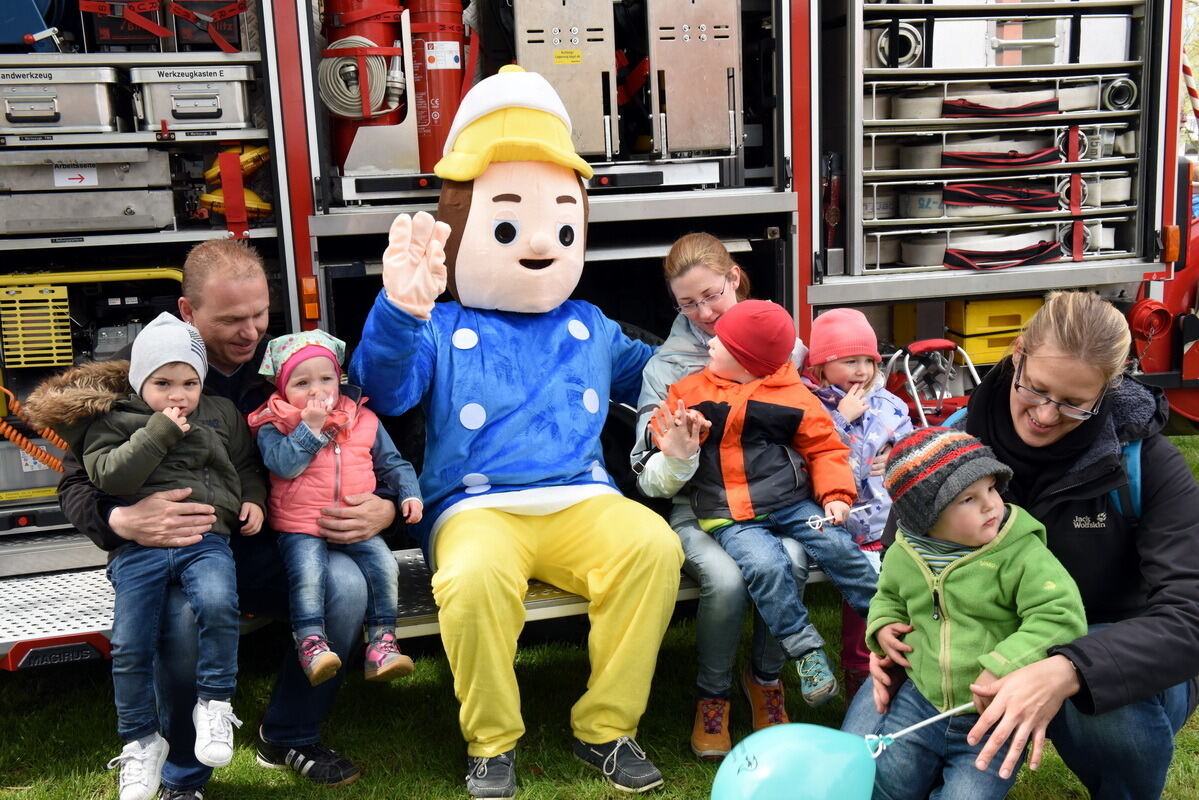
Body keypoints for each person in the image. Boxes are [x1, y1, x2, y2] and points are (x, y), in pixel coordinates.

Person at [350, 67, 684, 798]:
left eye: (563, 224)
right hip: (475, 506)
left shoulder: (589, 324)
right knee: (471, 581)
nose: (539, 241)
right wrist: (400, 313)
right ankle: (492, 741)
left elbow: (660, 378)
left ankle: (606, 727)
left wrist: (725, 357)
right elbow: (384, 389)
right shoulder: (440, 325)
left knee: (652, 549)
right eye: (507, 223)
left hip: (578, 499)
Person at [55, 238, 397, 798]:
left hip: (271, 543)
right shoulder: (140, 377)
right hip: (169, 548)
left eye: (260, 314)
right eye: (232, 319)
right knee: (183, 622)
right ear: (188, 312)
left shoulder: (289, 367)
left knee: (346, 585)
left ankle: (288, 734)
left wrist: (384, 504)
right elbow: (74, 480)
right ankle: (183, 773)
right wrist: (119, 520)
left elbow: (367, 436)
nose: (250, 331)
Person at [845, 291, 1199, 800]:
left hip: (1107, 660)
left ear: (1107, 390)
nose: (1047, 415)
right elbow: (904, 554)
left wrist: (1069, 667)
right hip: (963, 651)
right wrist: (892, 632)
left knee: (1106, 704)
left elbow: (1189, 618)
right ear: (1017, 352)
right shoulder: (945, 449)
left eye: (1076, 403)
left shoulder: (1147, 464)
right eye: (1035, 388)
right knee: (867, 761)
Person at [26, 313, 267, 800]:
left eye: (188, 383)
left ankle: (215, 703)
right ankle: (141, 740)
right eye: (162, 383)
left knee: (220, 606)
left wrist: (253, 499)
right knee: (130, 644)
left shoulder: (219, 414)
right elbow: (110, 478)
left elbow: (244, 463)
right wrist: (158, 432)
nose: (177, 395)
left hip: (206, 542)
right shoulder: (111, 419)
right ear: (139, 382)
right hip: (139, 553)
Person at [639, 300, 878, 711]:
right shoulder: (691, 391)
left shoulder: (794, 396)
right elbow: (658, 430)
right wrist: (673, 435)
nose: (711, 341)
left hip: (791, 505)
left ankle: (888, 624)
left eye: (724, 341)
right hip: (729, 516)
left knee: (839, 546)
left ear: (748, 361)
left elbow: (825, 448)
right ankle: (806, 653)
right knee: (766, 566)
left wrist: (837, 497)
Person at [631, 232, 809, 760]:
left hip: (771, 504)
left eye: (712, 295)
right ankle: (713, 696)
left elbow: (806, 428)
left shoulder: (779, 343)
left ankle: (765, 681)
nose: (705, 313)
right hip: (699, 509)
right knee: (728, 581)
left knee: (794, 558)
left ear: (735, 278)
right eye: (689, 303)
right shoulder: (666, 368)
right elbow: (647, 477)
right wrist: (677, 453)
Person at [860, 426, 1086, 799]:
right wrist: (882, 626)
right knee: (887, 782)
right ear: (925, 518)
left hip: (991, 712)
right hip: (920, 699)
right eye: (968, 499)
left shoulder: (1019, 553)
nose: (990, 505)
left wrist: (1004, 662)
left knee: (968, 795)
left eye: (992, 489)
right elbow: (887, 597)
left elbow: (1060, 615)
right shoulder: (906, 553)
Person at [247, 330, 423, 685]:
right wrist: (309, 429)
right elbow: (283, 465)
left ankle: (382, 644)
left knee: (385, 566)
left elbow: (393, 463)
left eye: (326, 378)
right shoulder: (273, 423)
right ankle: (310, 642)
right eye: (301, 382)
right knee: (310, 574)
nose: (316, 390)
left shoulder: (363, 418)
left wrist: (408, 493)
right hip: (301, 525)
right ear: (282, 389)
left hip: (356, 522)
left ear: (339, 380)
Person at [805, 308, 913, 700]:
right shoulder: (812, 405)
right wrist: (842, 421)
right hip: (839, 520)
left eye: (868, 360)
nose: (862, 370)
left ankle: (902, 666)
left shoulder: (888, 404)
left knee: (901, 588)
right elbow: (812, 455)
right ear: (821, 363)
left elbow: (909, 444)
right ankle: (858, 674)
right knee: (862, 595)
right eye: (850, 361)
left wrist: (897, 452)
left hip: (887, 520)